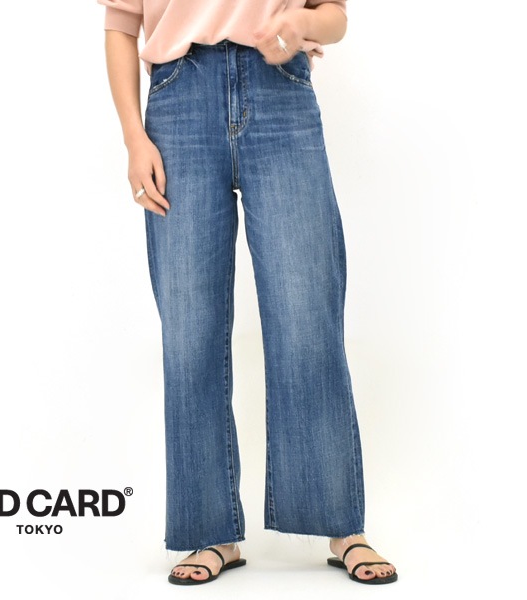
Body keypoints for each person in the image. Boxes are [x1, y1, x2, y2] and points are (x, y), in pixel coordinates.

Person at [97, 0, 397, 586]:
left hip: (281, 92)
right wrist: (134, 137)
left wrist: (302, 24)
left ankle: (342, 525)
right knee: (190, 328)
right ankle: (210, 532)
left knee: (307, 313)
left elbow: (334, 16)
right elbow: (120, 23)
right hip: (178, 103)